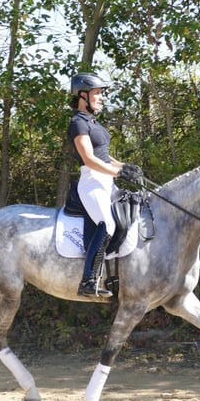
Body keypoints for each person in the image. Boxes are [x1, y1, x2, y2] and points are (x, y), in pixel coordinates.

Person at [67, 72, 142, 297]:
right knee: (107, 225)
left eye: (101, 94)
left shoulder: (93, 122)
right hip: (91, 182)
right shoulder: (77, 123)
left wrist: (125, 166)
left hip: (105, 179)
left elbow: (104, 156)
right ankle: (88, 280)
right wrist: (119, 172)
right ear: (83, 95)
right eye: (97, 94)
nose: (101, 98)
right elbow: (90, 159)